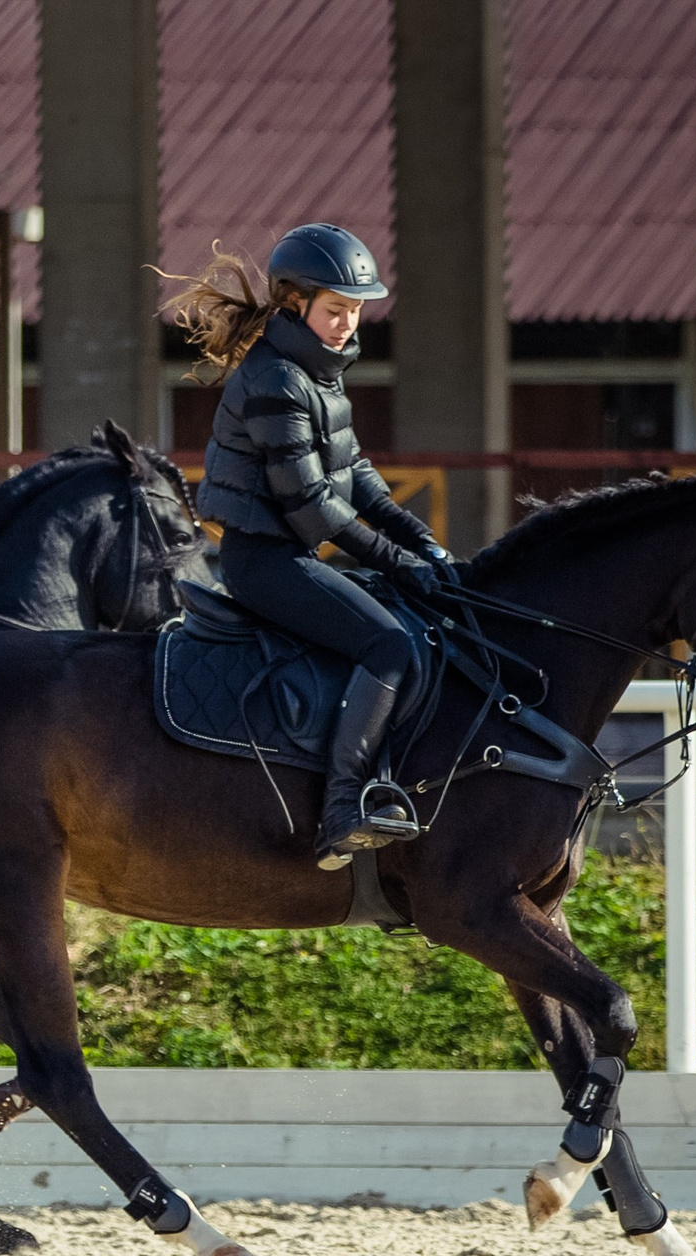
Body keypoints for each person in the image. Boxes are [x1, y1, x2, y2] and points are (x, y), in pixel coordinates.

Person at [166, 225, 461, 868]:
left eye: (355, 310)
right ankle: (343, 806)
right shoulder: (274, 379)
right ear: (294, 303)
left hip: (296, 554)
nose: (346, 324)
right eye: (336, 310)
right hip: (265, 563)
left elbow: (361, 482)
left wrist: (426, 546)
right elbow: (313, 508)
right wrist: (397, 561)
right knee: (388, 644)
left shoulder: (321, 377)